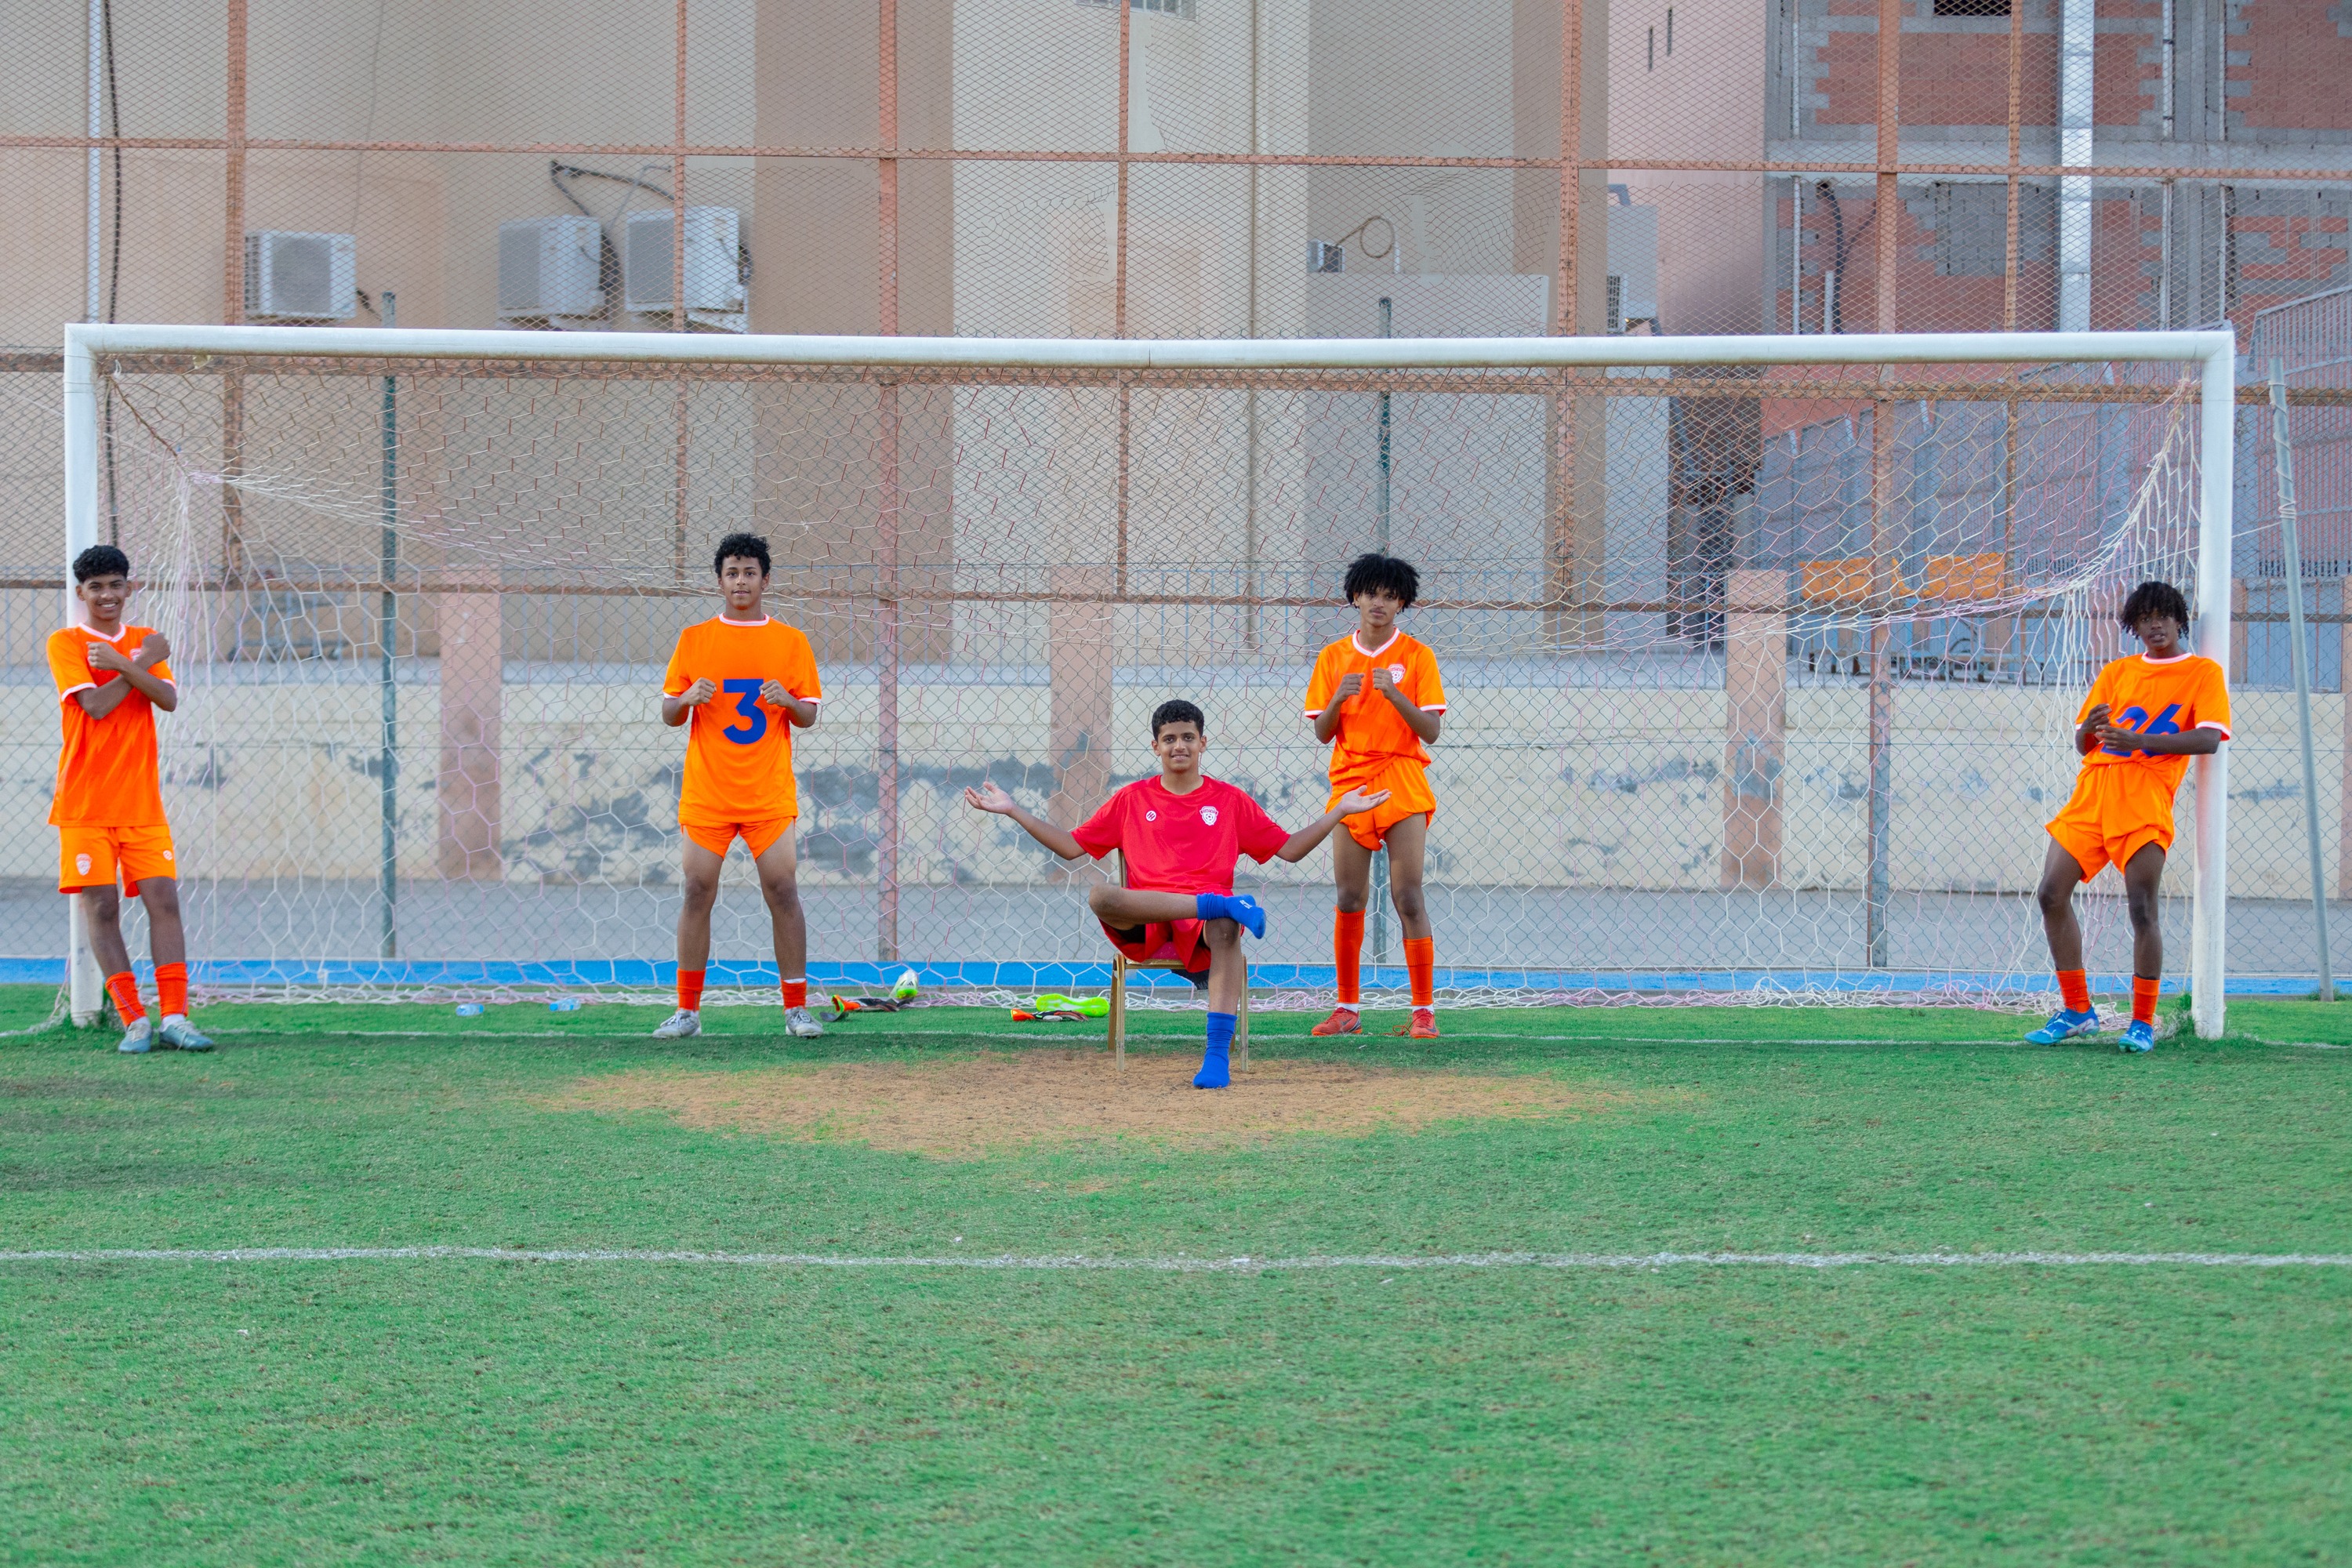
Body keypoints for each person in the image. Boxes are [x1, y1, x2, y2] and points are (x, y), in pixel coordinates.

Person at [964, 699, 1386, 1088]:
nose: (1179, 745)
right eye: (1169, 739)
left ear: (1203, 742)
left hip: (1203, 929)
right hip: (1145, 921)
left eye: (1187, 737)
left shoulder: (1230, 800)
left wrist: (1340, 811)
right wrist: (1013, 809)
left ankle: (1216, 1058)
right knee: (1100, 895)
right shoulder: (1131, 799)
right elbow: (1072, 847)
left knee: (1224, 927)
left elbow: (1289, 850)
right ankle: (1219, 903)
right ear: (1155, 746)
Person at [2027, 580, 2230, 1053]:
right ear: (2133, 626)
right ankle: (2078, 1010)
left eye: (2163, 616)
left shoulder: (2201, 672)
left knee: (2141, 908)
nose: (2154, 625)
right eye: (2144, 618)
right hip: (2094, 794)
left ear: (2180, 620)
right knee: (2050, 894)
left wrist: (2136, 741)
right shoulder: (2118, 672)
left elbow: (2208, 739)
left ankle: (2141, 1022)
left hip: (2144, 798)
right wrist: (2094, 729)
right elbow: (2084, 743)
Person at [651, 533, 827, 1041]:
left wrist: (788, 703)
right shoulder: (694, 639)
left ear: (765, 580)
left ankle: (796, 1009)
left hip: (768, 794)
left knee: (783, 890)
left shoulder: (790, 641)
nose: (741, 581)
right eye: (732, 572)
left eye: (750, 572)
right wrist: (685, 698)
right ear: (720, 581)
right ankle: (687, 1012)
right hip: (708, 793)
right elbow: (668, 714)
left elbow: (810, 714)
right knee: (696, 890)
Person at [49, 545, 211, 1054]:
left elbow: (167, 699)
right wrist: (136, 663)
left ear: (129, 588)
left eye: (115, 585)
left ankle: (177, 1018)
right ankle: (133, 1019)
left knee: (164, 900)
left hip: (141, 804)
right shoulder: (67, 643)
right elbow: (95, 706)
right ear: (82, 593)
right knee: (101, 908)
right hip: (85, 804)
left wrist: (130, 659)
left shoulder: (145, 641)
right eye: (95, 587)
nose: (107, 595)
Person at [1302, 552, 1448, 1039]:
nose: (1379, 603)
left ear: (1401, 603)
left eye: (1390, 596)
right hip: (1350, 783)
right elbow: (1322, 733)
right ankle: (1347, 1009)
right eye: (1371, 593)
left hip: (1402, 778)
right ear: (1355, 597)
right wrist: (1339, 700)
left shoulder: (1417, 656)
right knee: (1349, 896)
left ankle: (1423, 1011)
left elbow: (1432, 731)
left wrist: (1396, 696)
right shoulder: (1332, 657)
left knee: (1408, 895)